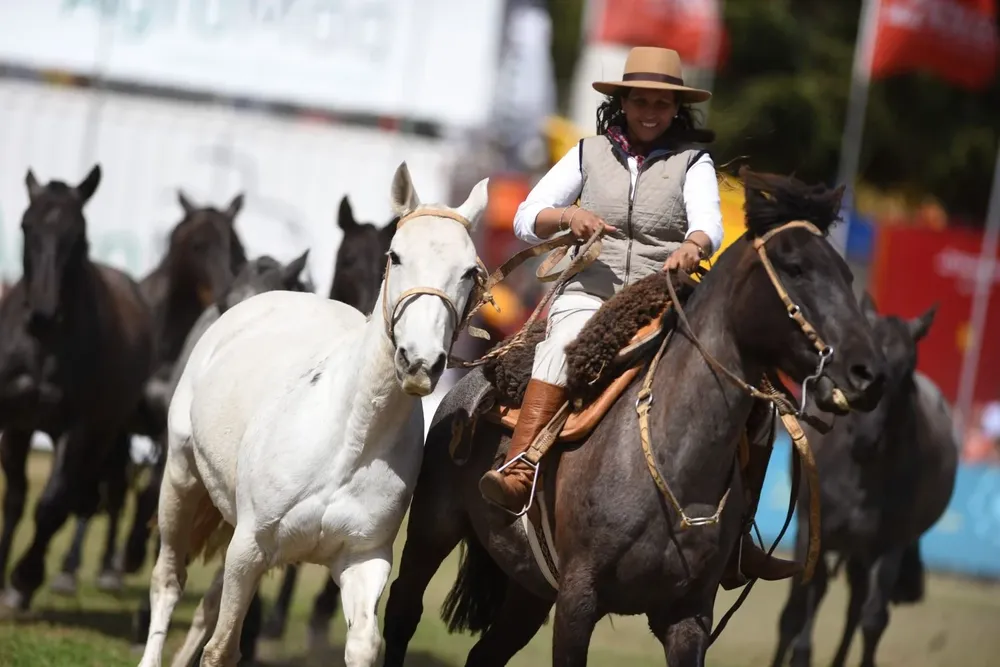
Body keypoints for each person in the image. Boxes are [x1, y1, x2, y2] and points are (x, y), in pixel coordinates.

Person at [478, 46, 802, 586]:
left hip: (665, 293)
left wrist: (694, 247)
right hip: (591, 288)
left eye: (662, 103)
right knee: (561, 346)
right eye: (640, 100)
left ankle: (738, 538)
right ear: (622, 102)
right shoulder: (586, 153)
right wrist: (570, 214)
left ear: (677, 109)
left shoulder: (692, 164)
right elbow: (525, 217)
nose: (650, 111)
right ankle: (520, 468)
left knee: (758, 393)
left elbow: (709, 226)